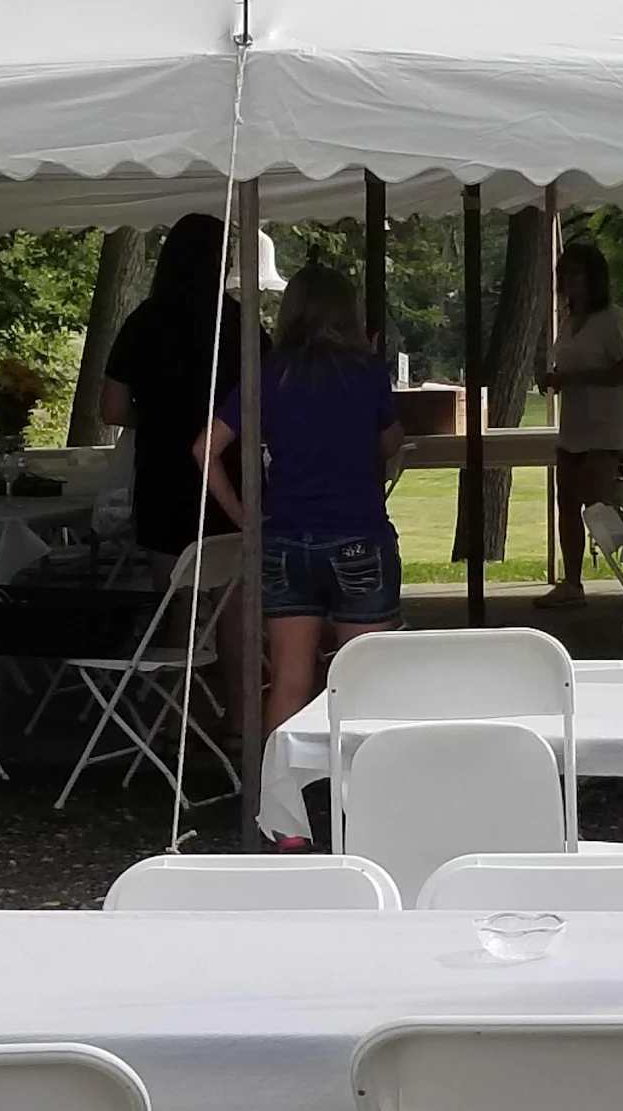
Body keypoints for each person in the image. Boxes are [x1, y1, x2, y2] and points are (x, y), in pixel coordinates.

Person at [197, 263, 405, 742]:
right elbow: (391, 440)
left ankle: (278, 785)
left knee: (289, 681)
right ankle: (360, 782)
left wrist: (245, 519)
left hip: (286, 535)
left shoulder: (270, 374)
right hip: (356, 531)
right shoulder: (365, 371)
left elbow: (205, 448)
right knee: (364, 680)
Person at [102, 214, 242, 558]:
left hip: (161, 474)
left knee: (173, 582)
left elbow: (113, 409)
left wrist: (157, 418)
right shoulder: (240, 323)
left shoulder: (143, 322)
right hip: (229, 473)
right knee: (232, 580)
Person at [538, 239, 623, 610]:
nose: (569, 281)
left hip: (606, 423)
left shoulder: (612, 318)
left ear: (594, 278)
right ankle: (572, 583)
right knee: (566, 500)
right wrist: (552, 378)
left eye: (576, 274)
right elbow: (566, 366)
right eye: (564, 274)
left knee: (602, 501)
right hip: (574, 424)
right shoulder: (567, 323)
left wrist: (577, 378)